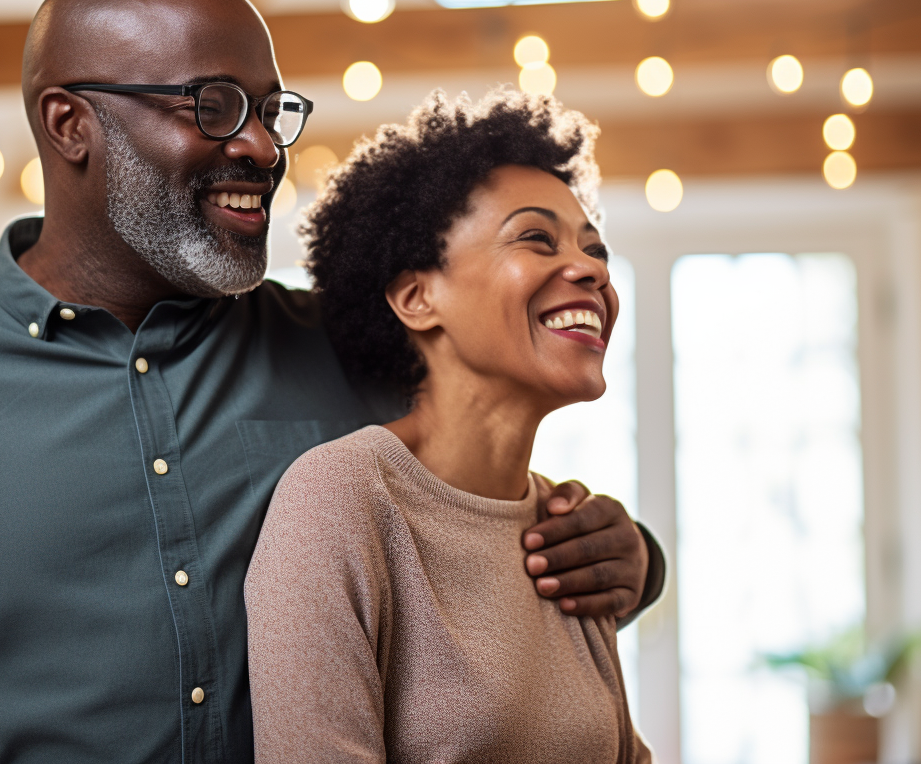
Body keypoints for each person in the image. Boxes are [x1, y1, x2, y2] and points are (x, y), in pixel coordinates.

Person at [0, 0, 662, 763]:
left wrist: (629, 556)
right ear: (71, 124)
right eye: (212, 103)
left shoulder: (354, 350)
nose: (260, 146)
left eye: (271, 110)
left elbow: (494, 510)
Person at [246, 88, 649, 763]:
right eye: (536, 239)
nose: (590, 270)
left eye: (595, 248)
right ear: (416, 296)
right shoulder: (341, 497)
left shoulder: (564, 525)